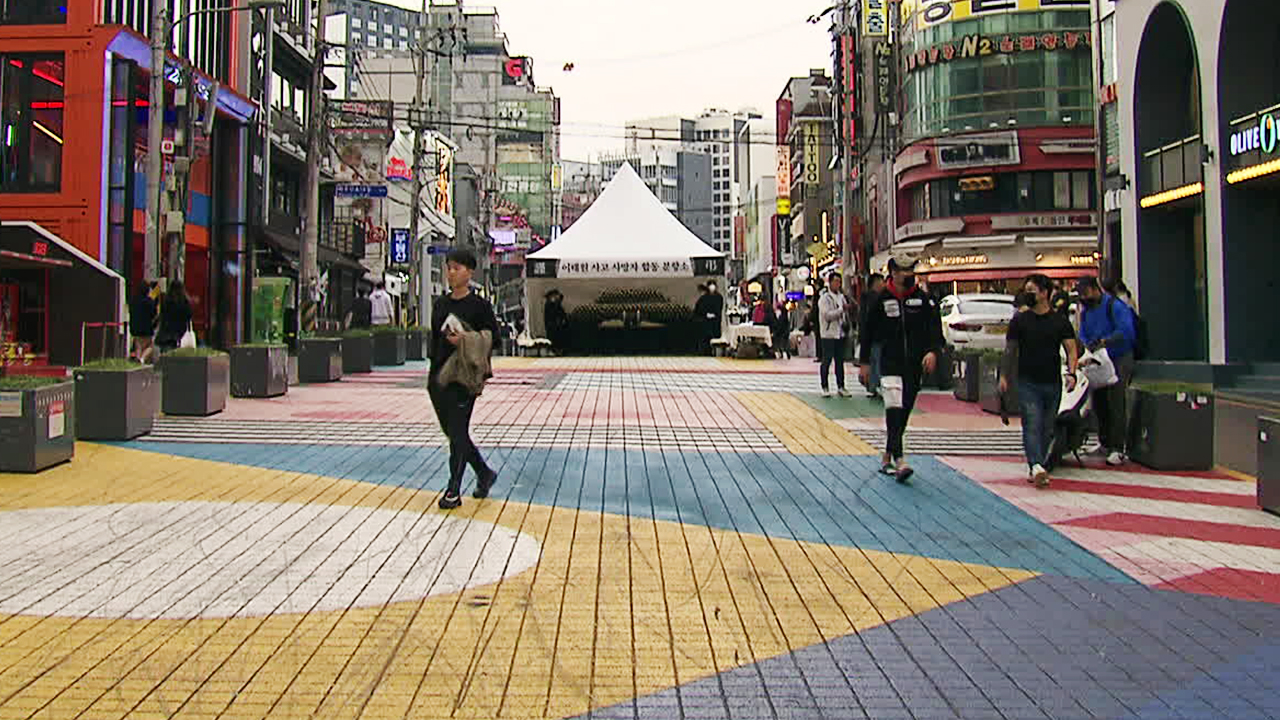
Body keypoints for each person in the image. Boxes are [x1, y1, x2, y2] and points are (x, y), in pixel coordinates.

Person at [858, 255, 945, 483]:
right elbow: (866, 333)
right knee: (894, 408)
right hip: (889, 363)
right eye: (903, 272)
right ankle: (900, 460)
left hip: (914, 365)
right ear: (893, 273)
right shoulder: (880, 300)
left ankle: (887, 454)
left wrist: (933, 351)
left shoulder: (923, 299)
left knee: (904, 411)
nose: (908, 276)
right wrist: (864, 363)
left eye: (911, 271)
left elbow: (935, 331)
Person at [429, 248, 500, 510]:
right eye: (449, 267)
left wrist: (466, 341)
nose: (451, 272)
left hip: (464, 378)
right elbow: (434, 340)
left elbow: (494, 338)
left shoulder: (479, 306)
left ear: (470, 272)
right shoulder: (441, 304)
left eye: (457, 268)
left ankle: (453, 489)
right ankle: (483, 472)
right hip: (439, 377)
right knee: (454, 433)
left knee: (458, 432)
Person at [1000, 274, 1079, 488]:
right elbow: (1010, 350)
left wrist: (1072, 373)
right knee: (1032, 423)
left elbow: (1071, 349)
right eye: (1026, 291)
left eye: (1032, 291)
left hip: (1053, 381)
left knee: (1048, 427)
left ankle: (1038, 463)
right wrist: (1004, 376)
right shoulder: (1020, 320)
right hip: (1027, 381)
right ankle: (1036, 465)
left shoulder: (1059, 321)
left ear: (1045, 293)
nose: (1028, 295)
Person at [1076, 276, 1139, 466]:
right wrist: (1088, 343)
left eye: (1086, 294)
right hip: (1099, 359)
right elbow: (1083, 332)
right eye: (1081, 295)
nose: (1084, 298)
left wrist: (1105, 341)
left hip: (1118, 357)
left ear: (1096, 290)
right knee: (1099, 401)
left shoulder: (1115, 306)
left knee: (1116, 401)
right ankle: (1104, 442)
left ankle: (1118, 448)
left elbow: (1126, 330)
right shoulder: (1087, 311)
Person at [818, 273, 851, 398]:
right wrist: (841, 310)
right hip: (828, 334)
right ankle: (825, 386)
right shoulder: (824, 298)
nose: (838, 284)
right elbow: (827, 315)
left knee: (839, 361)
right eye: (835, 281)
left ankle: (841, 386)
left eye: (839, 281)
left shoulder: (842, 297)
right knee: (826, 360)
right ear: (830, 282)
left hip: (840, 333)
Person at [859, 273, 886, 398]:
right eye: (881, 282)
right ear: (875, 283)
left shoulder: (866, 299)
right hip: (876, 336)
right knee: (877, 361)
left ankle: (873, 386)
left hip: (874, 336)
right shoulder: (874, 299)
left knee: (875, 362)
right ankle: (877, 386)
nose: (883, 284)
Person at [155, 280, 193, 352]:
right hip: (178, 331)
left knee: (165, 351)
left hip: (166, 331)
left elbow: (162, 315)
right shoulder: (184, 301)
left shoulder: (167, 300)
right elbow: (189, 315)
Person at [129, 281, 158, 363]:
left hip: (135, 327)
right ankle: (142, 359)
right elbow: (154, 314)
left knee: (138, 345)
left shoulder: (133, 300)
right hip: (147, 328)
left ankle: (138, 358)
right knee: (150, 346)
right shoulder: (149, 302)